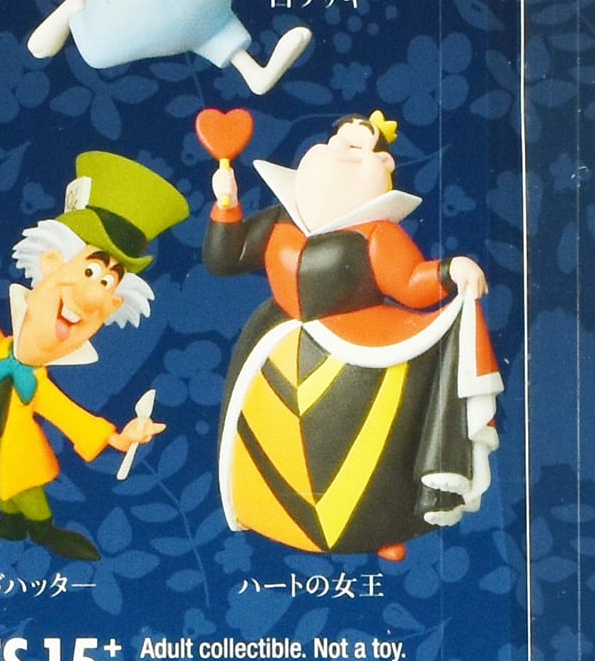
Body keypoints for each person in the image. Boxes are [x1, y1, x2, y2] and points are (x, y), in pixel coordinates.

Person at [201, 109, 501, 557]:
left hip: (358, 361)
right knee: (268, 441)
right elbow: (226, 259)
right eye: (340, 140)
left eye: (359, 146)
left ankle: (380, 529)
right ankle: (268, 513)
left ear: (383, 166)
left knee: (368, 448)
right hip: (273, 352)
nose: (344, 149)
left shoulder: (376, 234)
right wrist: (226, 206)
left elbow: (410, 283)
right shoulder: (280, 219)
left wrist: (448, 270)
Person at [0, 152, 182, 562]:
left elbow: (73, 418)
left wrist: (122, 439)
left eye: (107, 285)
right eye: (90, 272)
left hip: (16, 451)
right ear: (51, 264)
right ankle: (8, 522)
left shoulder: (39, 385)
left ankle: (44, 529)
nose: (89, 302)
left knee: (27, 490)